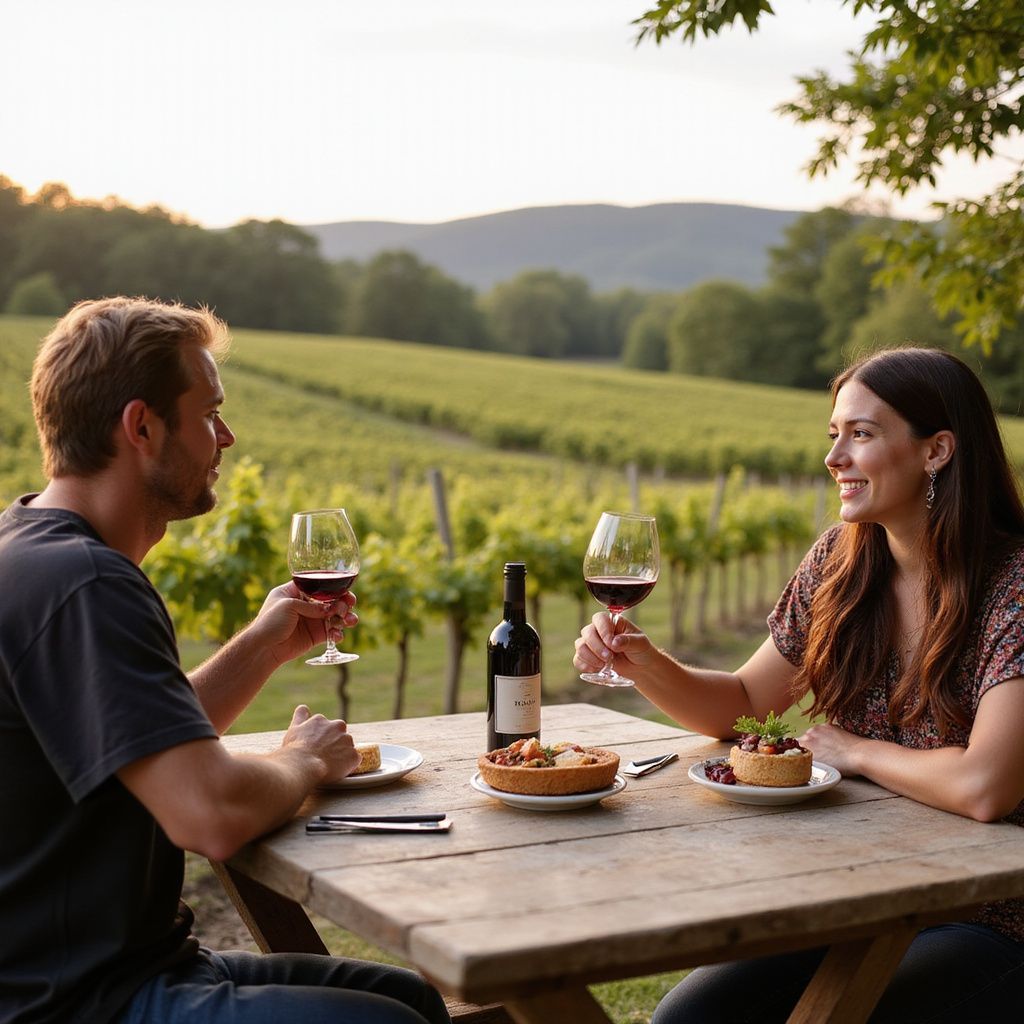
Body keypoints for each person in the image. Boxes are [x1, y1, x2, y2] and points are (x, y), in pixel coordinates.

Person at [0, 297, 451, 1024]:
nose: (228, 436)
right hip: (79, 1001)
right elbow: (207, 814)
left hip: (122, 966)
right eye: (210, 413)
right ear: (141, 427)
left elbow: (134, 738)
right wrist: (306, 760)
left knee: (409, 998)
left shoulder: (29, 548)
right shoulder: (85, 582)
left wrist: (264, 645)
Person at [574, 346, 1024, 1023]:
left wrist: (854, 749)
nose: (834, 458)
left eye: (862, 434)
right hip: (863, 897)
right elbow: (747, 704)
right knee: (687, 1019)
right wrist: (644, 662)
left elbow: (986, 787)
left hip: (993, 918)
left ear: (937, 451)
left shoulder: (1011, 588)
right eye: (833, 435)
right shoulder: (840, 566)